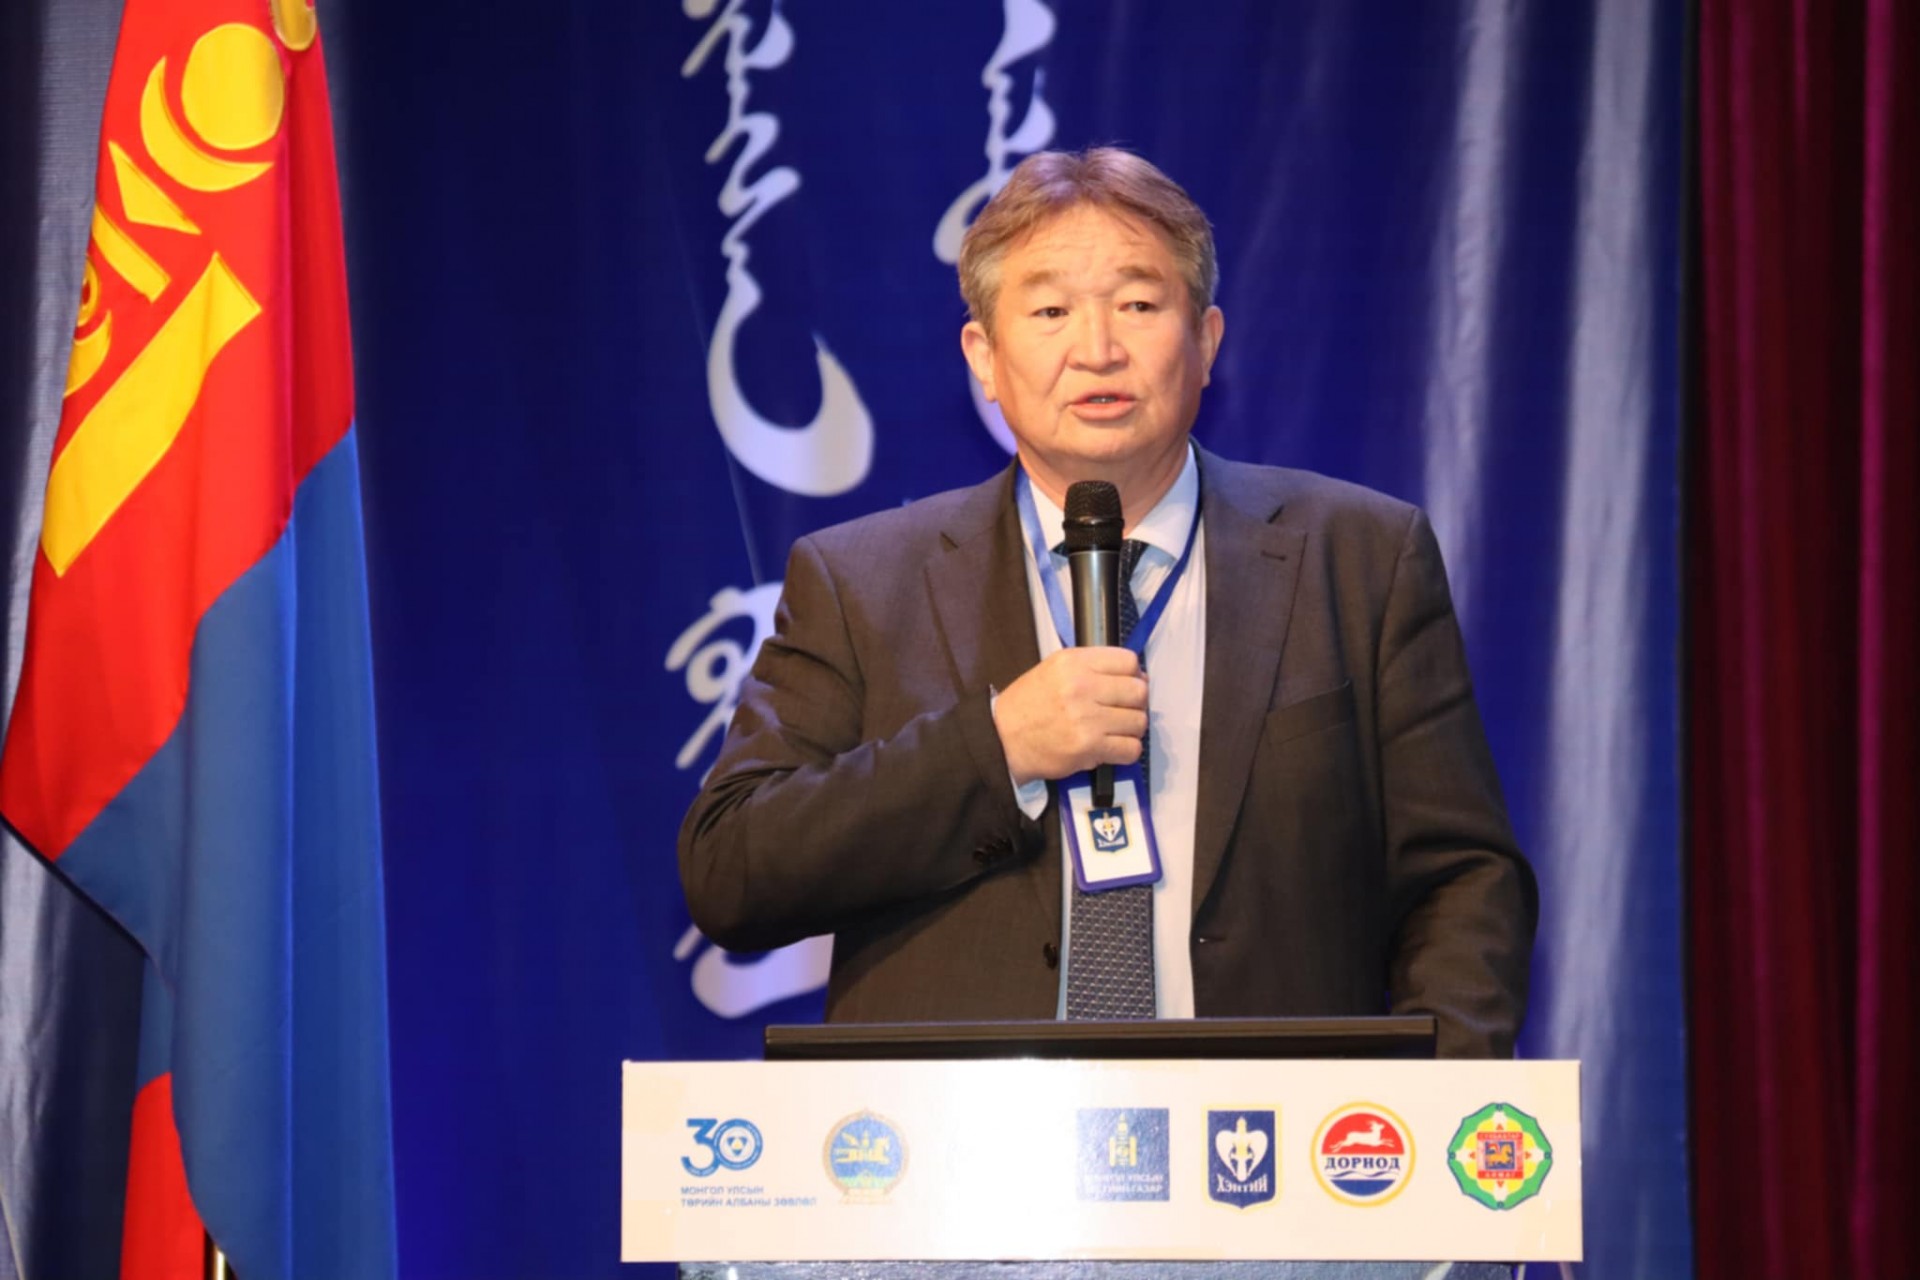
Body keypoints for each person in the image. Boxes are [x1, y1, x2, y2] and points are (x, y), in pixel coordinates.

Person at [678, 148, 1535, 1058]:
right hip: (963, 1134)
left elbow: (1462, 879)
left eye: (1137, 305)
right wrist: (995, 750)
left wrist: (1436, 1106)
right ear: (984, 358)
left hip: (1269, 1131)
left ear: (1206, 341)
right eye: (1050, 311)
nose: (1097, 350)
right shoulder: (860, 581)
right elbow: (732, 869)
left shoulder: (1360, 557)